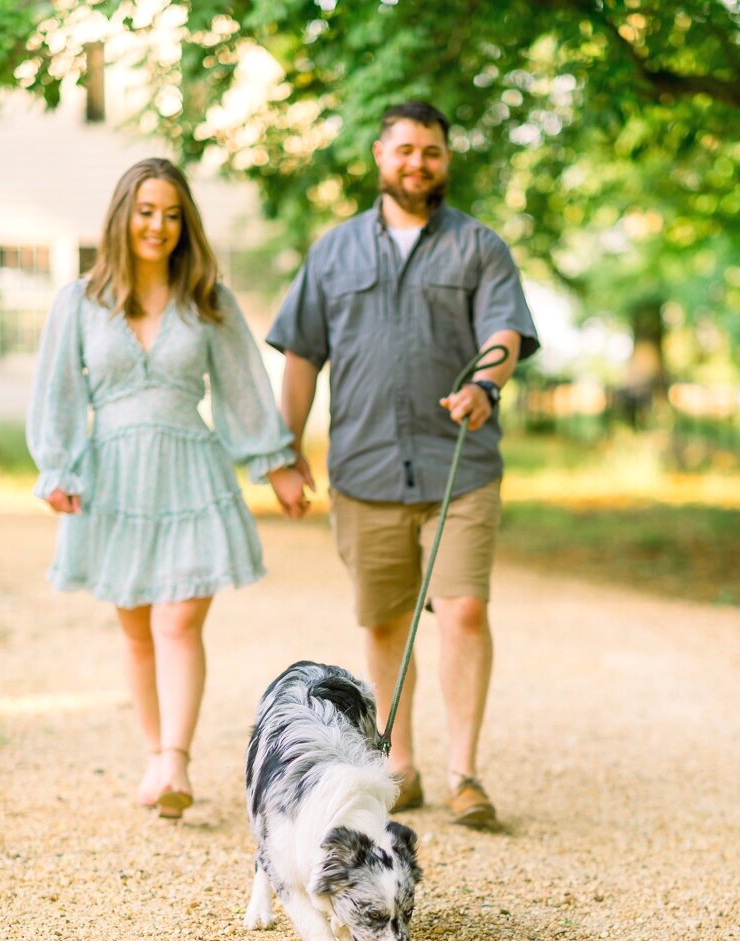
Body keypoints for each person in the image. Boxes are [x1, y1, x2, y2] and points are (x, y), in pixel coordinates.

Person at [267, 101, 539, 828]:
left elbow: (503, 331)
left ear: (447, 161)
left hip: (459, 462)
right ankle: (400, 765)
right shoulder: (332, 251)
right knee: (385, 622)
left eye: (432, 152)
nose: (418, 162)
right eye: (405, 150)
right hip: (363, 467)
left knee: (463, 607)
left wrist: (485, 384)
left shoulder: (479, 247)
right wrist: (285, 452)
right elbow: (300, 356)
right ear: (380, 156)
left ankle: (465, 773)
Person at [27, 158, 308, 818]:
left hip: (189, 471)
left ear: (187, 224)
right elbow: (58, 391)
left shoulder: (208, 298)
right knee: (135, 629)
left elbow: (243, 387)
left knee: (179, 620)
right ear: (124, 214)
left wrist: (276, 463)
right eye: (147, 210)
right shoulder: (80, 301)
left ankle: (175, 760)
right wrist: (57, 467)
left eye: (173, 214)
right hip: (114, 478)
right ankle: (155, 756)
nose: (158, 225)